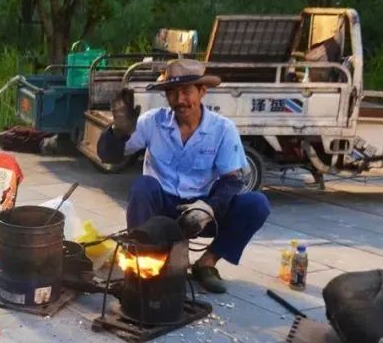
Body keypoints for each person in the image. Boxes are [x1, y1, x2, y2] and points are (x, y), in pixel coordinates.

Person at [97, 59, 270, 294]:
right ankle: (144, 261)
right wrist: (117, 131)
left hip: (201, 210)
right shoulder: (152, 122)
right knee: (142, 186)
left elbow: (232, 180)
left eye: (187, 91)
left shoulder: (223, 129)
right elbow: (109, 157)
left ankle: (206, 263)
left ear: (202, 92)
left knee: (256, 204)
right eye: (172, 93)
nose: (180, 100)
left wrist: (208, 208)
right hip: (161, 208)